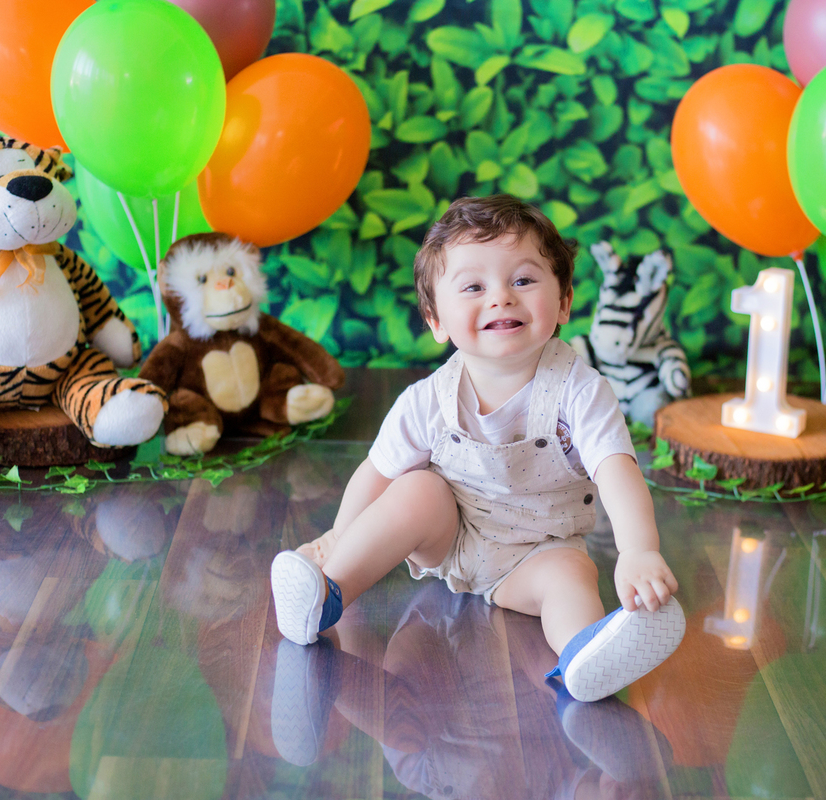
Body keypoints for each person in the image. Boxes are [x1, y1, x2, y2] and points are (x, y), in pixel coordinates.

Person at [270, 194, 685, 702]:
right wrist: (338, 537)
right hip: (451, 540)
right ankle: (327, 594)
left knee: (573, 576)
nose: (501, 298)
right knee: (416, 489)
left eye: (523, 280)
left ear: (564, 302)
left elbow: (617, 471)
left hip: (539, 551)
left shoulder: (580, 391)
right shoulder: (427, 400)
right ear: (436, 320)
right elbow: (375, 474)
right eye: (473, 287)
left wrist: (638, 552)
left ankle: (584, 653)